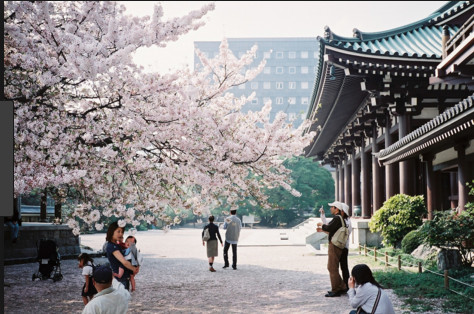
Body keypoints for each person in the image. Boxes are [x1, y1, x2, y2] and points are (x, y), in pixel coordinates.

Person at [316, 201, 347, 297]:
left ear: (336, 208)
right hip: (337, 245)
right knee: (333, 267)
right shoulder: (340, 218)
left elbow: (328, 227)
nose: (330, 208)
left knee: (332, 267)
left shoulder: (337, 218)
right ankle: (341, 286)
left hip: (334, 245)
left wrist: (322, 224)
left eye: (332, 207)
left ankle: (336, 289)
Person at [105, 222, 139, 291]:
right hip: (120, 279)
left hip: (124, 278)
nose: (121, 234)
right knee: (121, 300)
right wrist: (134, 269)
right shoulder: (111, 246)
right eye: (118, 231)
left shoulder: (116, 244)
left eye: (122, 232)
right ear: (111, 232)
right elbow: (124, 262)